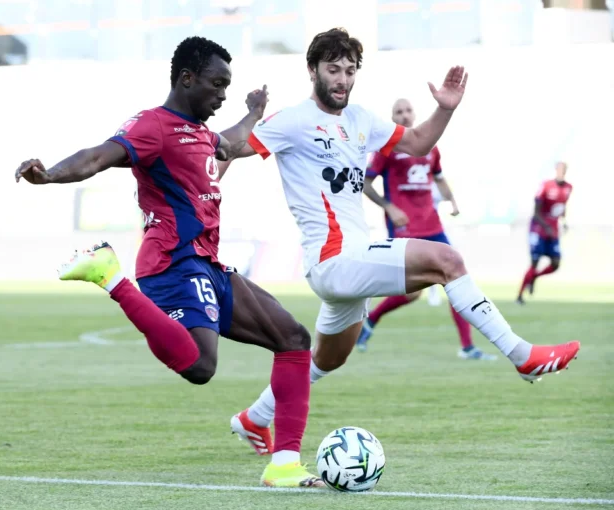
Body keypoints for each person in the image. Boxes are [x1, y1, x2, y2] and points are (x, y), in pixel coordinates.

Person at [218, 28, 579, 455]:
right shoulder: (293, 120)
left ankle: (254, 418)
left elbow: (419, 141)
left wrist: (443, 110)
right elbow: (227, 148)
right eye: (333, 69)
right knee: (448, 261)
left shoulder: (361, 119)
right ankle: (522, 355)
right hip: (332, 259)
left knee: (328, 359)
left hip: (350, 262)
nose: (342, 79)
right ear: (312, 69)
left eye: (350, 71)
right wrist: (205, 197)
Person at [14, 36, 322, 488]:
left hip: (209, 264)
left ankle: (284, 466)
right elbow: (99, 155)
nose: (222, 96)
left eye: (228, 87)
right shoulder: (153, 125)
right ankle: (109, 275)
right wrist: (50, 175)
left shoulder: (202, 134)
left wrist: (254, 112)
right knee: (200, 365)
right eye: (217, 85)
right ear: (186, 78)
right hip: (172, 263)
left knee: (294, 339)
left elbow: (233, 143)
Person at [356, 98, 495, 361]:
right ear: (393, 118)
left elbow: (440, 178)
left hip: (432, 224)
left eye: (408, 110)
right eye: (399, 111)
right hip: (405, 227)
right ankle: (369, 318)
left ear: (414, 113)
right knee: (413, 293)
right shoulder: (387, 149)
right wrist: (390, 208)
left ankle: (467, 347)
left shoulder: (430, 147)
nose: (405, 115)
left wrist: (452, 200)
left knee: (456, 279)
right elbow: (365, 183)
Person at [516, 162, 572, 304]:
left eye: (563, 170)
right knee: (535, 262)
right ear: (555, 170)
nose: (561, 172)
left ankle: (534, 277)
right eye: (559, 170)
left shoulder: (568, 188)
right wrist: (546, 226)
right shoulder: (546, 186)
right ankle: (520, 296)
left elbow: (563, 207)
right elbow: (536, 212)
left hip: (552, 230)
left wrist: (564, 222)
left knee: (555, 263)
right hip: (538, 229)